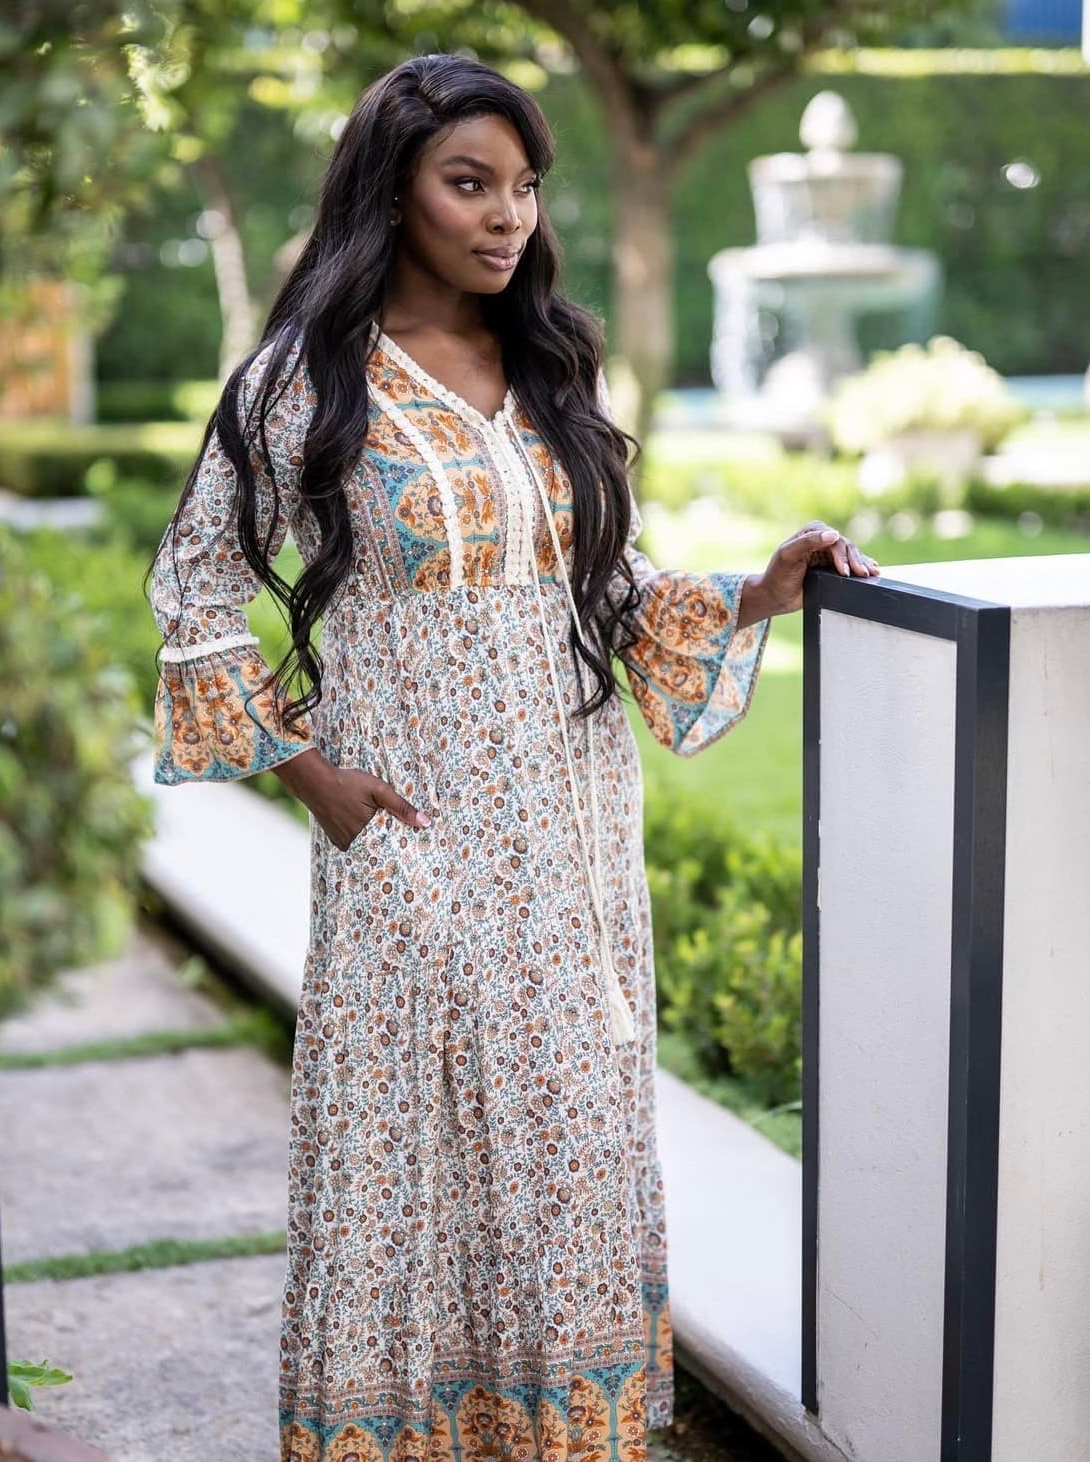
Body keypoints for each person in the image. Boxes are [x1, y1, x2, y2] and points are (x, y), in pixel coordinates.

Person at [146, 52, 879, 1462]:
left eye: (523, 186)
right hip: (410, 841)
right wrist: (318, 784)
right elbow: (192, 592)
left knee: (572, 1158)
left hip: (574, 843)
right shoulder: (304, 384)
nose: (506, 216)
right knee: (406, 1170)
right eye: (468, 183)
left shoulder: (548, 367)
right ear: (393, 193)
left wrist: (755, 588)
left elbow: (600, 591)